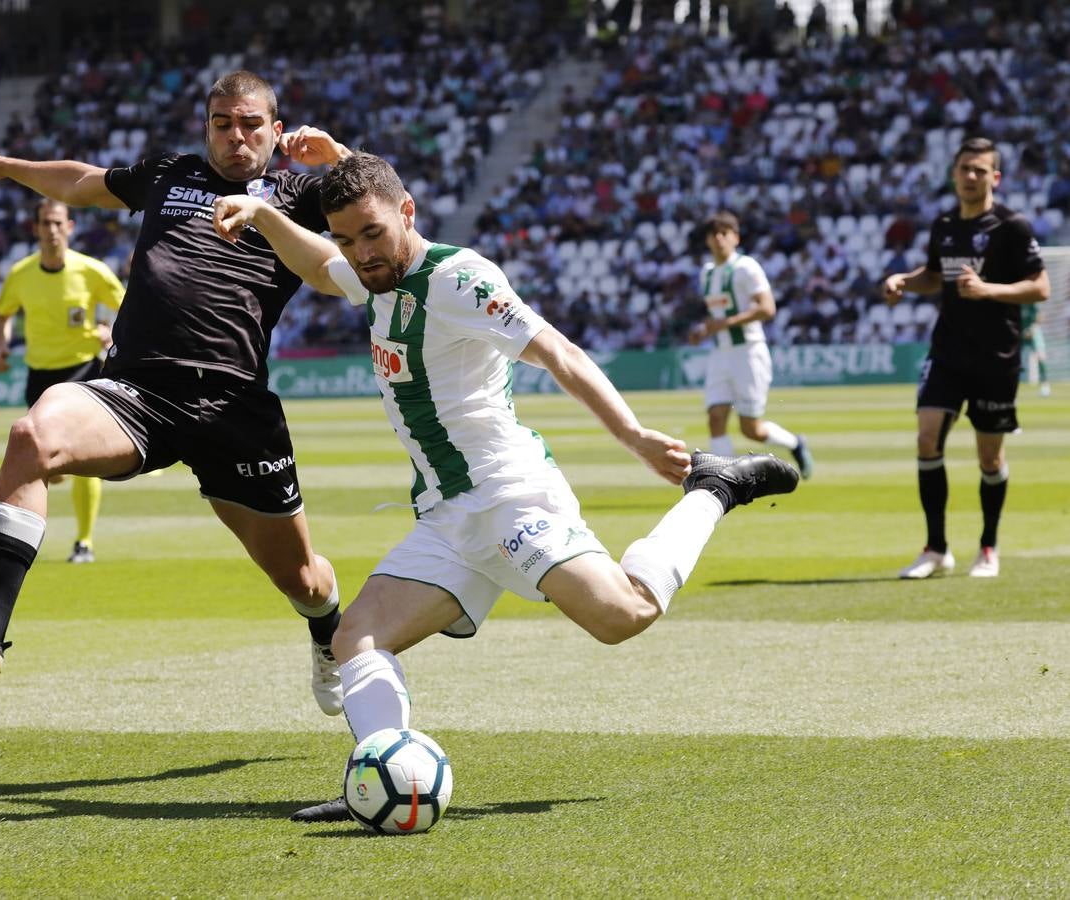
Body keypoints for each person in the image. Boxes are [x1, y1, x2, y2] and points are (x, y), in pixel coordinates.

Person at [210, 153, 800, 822]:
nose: (359, 254)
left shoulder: (459, 278)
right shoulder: (375, 276)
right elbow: (318, 266)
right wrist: (260, 212)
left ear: (407, 215)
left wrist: (632, 436)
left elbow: (558, 352)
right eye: (347, 239)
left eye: (370, 234)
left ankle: (712, 488)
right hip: (446, 515)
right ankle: (379, 777)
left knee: (623, 615)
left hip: (510, 495)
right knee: (355, 642)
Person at [0, 71, 353, 716]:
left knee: (302, 578)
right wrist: (4, 166)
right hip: (137, 390)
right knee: (33, 436)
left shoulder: (299, 193)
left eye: (251, 124)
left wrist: (344, 160)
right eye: (223, 123)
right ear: (207, 127)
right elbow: (82, 182)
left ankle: (328, 631)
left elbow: (388, 224)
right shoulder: (172, 173)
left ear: (277, 131)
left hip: (233, 405)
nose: (237, 136)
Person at [882, 137, 1049, 579]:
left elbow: (1041, 286)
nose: (971, 176)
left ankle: (988, 548)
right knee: (926, 437)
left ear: (995, 177)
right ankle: (936, 549)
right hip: (948, 351)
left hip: (997, 356)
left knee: (989, 459)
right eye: (964, 169)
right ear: (954, 174)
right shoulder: (944, 226)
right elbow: (935, 276)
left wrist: (988, 290)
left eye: (980, 170)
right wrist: (903, 280)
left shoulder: (1012, 226)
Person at [0, 199, 125, 564]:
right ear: (36, 229)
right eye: (45, 224)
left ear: (69, 227)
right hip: (41, 376)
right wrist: (1, 347)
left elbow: (131, 307)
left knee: (87, 460)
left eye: (57, 223)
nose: (51, 230)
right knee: (45, 464)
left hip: (84, 371)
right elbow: (2, 315)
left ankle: (84, 542)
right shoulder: (21, 274)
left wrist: (113, 332)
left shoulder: (91, 271)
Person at [688, 211, 813, 479]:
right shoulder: (707, 274)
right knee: (716, 417)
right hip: (720, 354)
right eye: (714, 234)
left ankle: (795, 443)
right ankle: (726, 480)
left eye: (725, 233)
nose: (719, 238)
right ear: (708, 240)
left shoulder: (746, 267)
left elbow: (767, 308)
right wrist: (702, 331)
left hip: (749, 352)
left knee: (751, 429)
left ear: (736, 237)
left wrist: (728, 322)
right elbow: (716, 317)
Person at [1021, 302, 1051, 398]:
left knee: (1040, 357)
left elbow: (1040, 316)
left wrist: (1032, 329)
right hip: (1020, 333)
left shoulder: (1032, 303)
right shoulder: (1017, 302)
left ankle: (1045, 385)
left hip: (1033, 333)